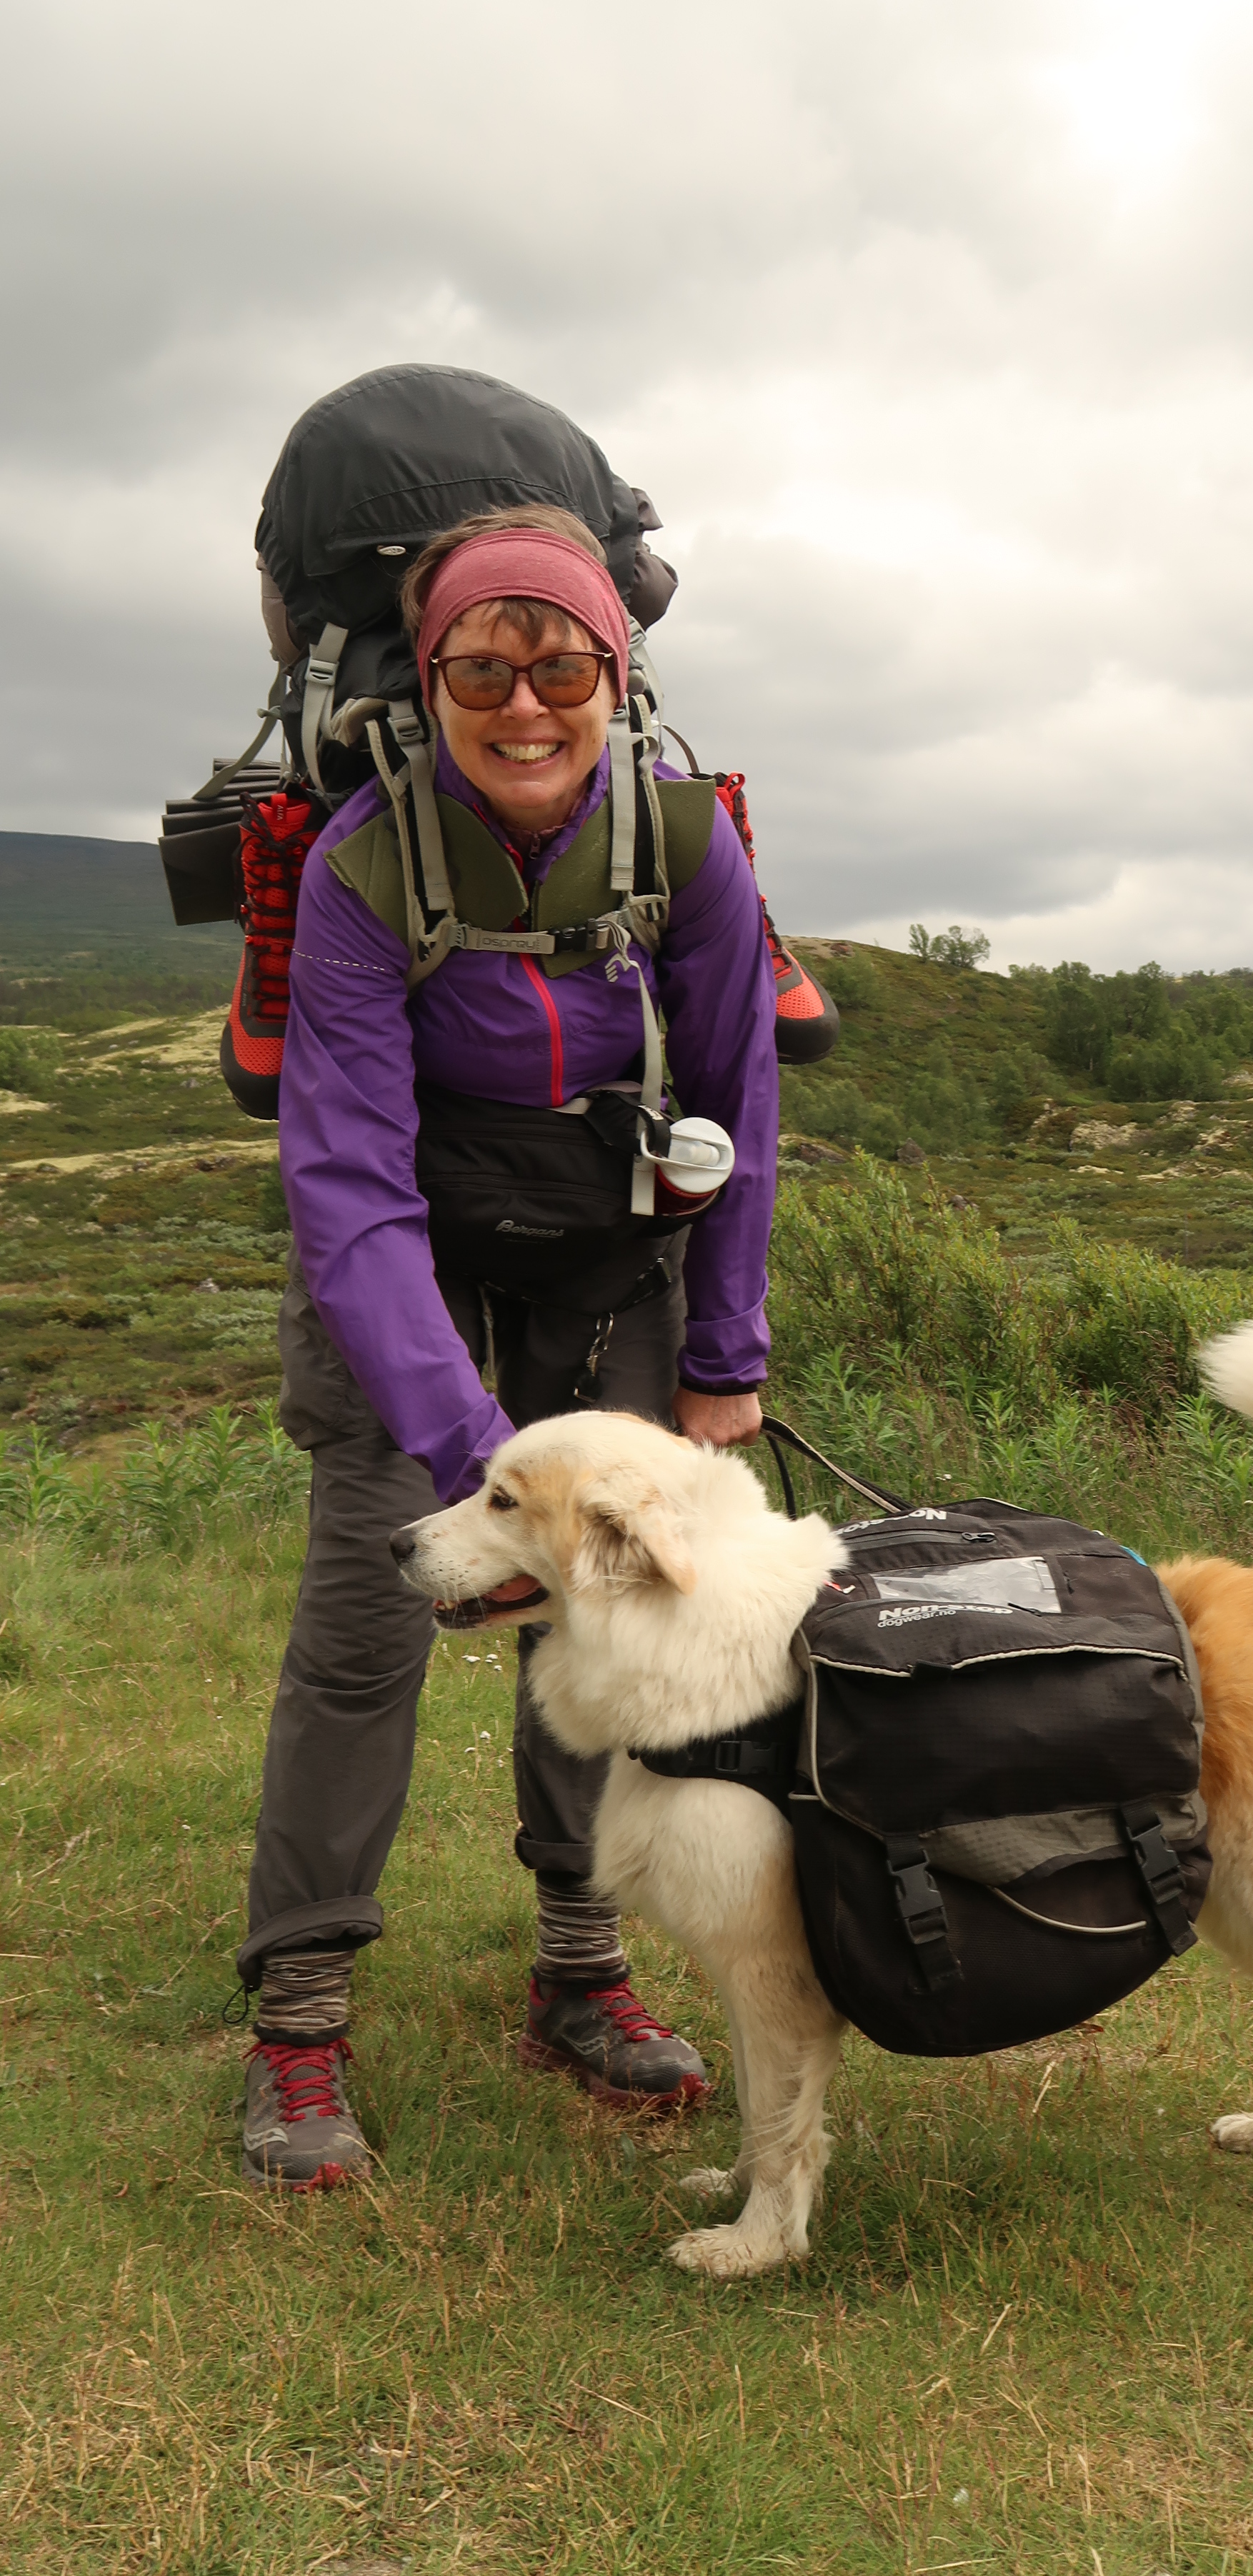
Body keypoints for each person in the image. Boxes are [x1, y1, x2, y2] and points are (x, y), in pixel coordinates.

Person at [235, 508, 774, 2189]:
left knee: (609, 1614)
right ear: (433, 679)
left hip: (610, 1271)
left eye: (561, 668)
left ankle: (580, 1974)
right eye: (481, 669)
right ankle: (301, 2019)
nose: (524, 706)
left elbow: (738, 1096)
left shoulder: (682, 842)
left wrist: (725, 1354)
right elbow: (346, 1180)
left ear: (615, 674)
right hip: (400, 1286)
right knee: (363, 1640)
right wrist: (478, 1454)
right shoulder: (362, 864)